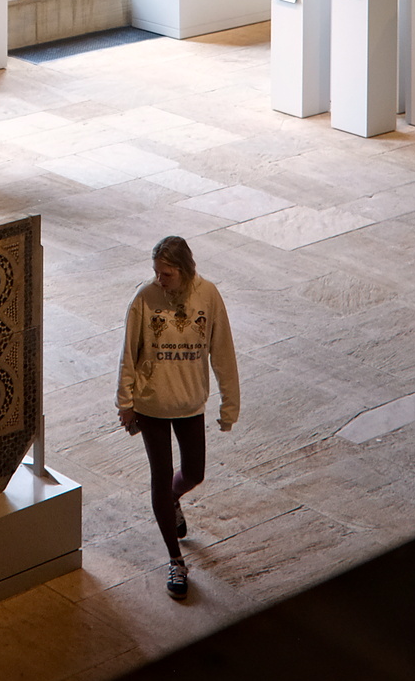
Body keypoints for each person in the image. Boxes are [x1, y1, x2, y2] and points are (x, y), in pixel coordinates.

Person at [116, 236, 240, 600]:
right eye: (155, 272)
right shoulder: (144, 299)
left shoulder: (209, 296)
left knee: (195, 472)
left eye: (166, 274)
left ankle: (171, 499)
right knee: (159, 473)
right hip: (150, 404)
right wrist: (126, 402)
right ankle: (175, 560)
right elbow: (128, 352)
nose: (159, 280)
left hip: (189, 403)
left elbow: (223, 353)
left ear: (184, 271)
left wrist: (229, 405)